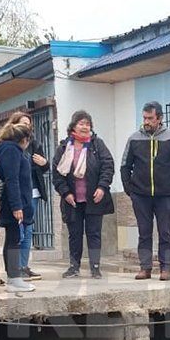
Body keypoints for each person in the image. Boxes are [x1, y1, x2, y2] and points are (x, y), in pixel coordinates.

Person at [121, 101, 170, 281]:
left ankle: (165, 268)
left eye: (150, 118)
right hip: (140, 195)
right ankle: (145, 268)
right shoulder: (134, 138)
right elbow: (125, 166)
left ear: (159, 118)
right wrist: (130, 190)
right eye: (144, 118)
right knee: (144, 233)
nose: (146, 122)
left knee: (165, 232)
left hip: (165, 195)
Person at [52, 110, 114, 279]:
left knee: (94, 234)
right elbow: (57, 174)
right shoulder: (64, 147)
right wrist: (65, 193)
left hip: (94, 198)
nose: (85, 127)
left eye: (87, 124)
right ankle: (74, 266)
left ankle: (95, 267)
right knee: (75, 234)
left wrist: (102, 187)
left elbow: (108, 166)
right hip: (72, 200)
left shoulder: (97, 145)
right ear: (73, 126)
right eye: (81, 123)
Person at [0, 122, 36, 293]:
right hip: (14, 203)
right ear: (24, 139)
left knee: (14, 238)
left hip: (16, 201)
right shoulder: (11, 151)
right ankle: (14, 278)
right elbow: (12, 180)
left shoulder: (7, 149)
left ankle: (14, 277)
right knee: (14, 239)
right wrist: (17, 206)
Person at [7, 111, 49, 281]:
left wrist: (44, 164)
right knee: (18, 231)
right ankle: (15, 268)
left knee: (28, 230)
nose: (27, 126)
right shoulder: (9, 145)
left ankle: (24, 266)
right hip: (18, 193)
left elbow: (43, 168)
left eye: (28, 124)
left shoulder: (34, 143)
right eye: (23, 123)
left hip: (33, 191)